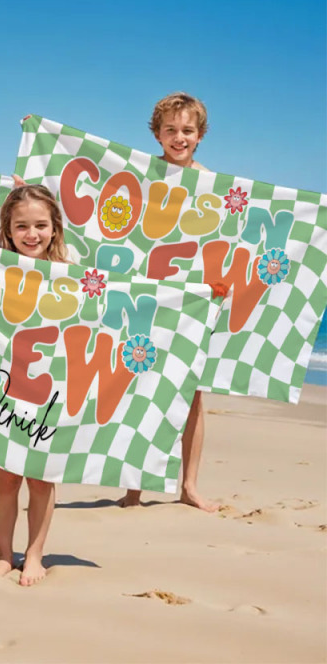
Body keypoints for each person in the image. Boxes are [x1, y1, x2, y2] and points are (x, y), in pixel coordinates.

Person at [119, 91, 218, 512]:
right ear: (157, 134)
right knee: (141, 386)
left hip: (191, 297)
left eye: (187, 130)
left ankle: (189, 486)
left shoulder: (211, 183)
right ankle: (134, 488)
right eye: (170, 130)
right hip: (147, 291)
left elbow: (226, 237)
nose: (179, 137)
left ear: (200, 135)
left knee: (191, 393)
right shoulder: (144, 174)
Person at [0, 184, 72, 586]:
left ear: (55, 228)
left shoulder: (72, 275)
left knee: (41, 476)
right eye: (21, 226)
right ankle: (4, 555)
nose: (31, 234)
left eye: (40, 225)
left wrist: (197, 294)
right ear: (8, 229)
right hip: (5, 385)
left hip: (52, 389)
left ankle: (34, 554)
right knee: (6, 475)